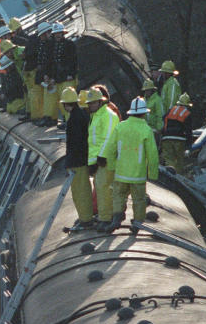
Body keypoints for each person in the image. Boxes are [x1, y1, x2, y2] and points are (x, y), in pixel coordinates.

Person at [101, 96, 159, 233]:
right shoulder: (146, 130)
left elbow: (110, 149)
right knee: (139, 199)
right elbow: (153, 155)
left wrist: (112, 167)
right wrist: (153, 174)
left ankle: (116, 219)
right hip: (138, 174)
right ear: (144, 113)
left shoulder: (120, 127)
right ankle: (137, 223)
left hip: (121, 173)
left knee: (118, 196)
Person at [60, 87, 94, 230]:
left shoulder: (74, 119)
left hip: (77, 161)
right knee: (83, 189)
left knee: (80, 191)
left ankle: (85, 219)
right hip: (82, 159)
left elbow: (73, 143)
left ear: (66, 104)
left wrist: (69, 161)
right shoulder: (82, 115)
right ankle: (85, 217)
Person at [86, 86, 119, 230]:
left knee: (104, 188)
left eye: (93, 103)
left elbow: (109, 137)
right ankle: (104, 216)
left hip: (106, 159)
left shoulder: (109, 115)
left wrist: (101, 156)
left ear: (100, 102)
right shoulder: (96, 116)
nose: (91, 105)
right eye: (89, 103)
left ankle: (106, 218)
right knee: (101, 188)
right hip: (97, 160)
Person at [47, 22, 77, 124]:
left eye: (59, 33)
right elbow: (52, 63)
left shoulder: (69, 44)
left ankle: (71, 120)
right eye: (56, 33)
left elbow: (73, 61)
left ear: (63, 33)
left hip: (68, 77)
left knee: (69, 99)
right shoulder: (53, 47)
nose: (58, 35)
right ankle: (66, 119)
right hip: (58, 78)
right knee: (62, 101)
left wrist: (71, 74)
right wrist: (52, 77)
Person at [161, 93, 194, 175]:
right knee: (179, 160)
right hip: (180, 139)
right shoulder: (187, 113)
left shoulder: (171, 110)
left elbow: (163, 120)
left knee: (169, 159)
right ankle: (177, 177)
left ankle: (168, 175)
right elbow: (188, 131)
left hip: (166, 138)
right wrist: (189, 146)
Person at [29, 22, 52, 122]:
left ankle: (51, 117)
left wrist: (48, 74)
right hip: (43, 75)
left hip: (49, 75)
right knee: (45, 98)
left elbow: (50, 61)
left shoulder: (50, 45)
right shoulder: (42, 44)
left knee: (51, 98)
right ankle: (45, 116)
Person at [0, 48, 27, 117]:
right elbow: (5, 86)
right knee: (10, 109)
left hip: (19, 97)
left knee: (16, 108)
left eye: (7, 68)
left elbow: (17, 86)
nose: (6, 70)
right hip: (11, 99)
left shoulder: (16, 73)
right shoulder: (6, 75)